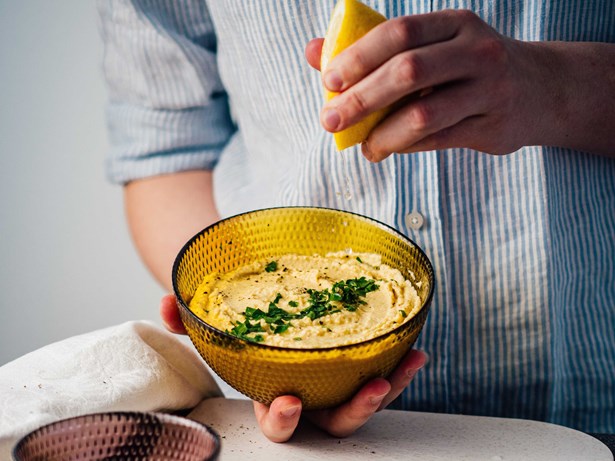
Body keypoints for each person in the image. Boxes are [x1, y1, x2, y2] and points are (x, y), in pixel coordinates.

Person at [97, 0, 615, 443]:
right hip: (281, 428)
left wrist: (560, 86)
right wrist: (267, 361)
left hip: (593, 403)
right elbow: (165, 150)